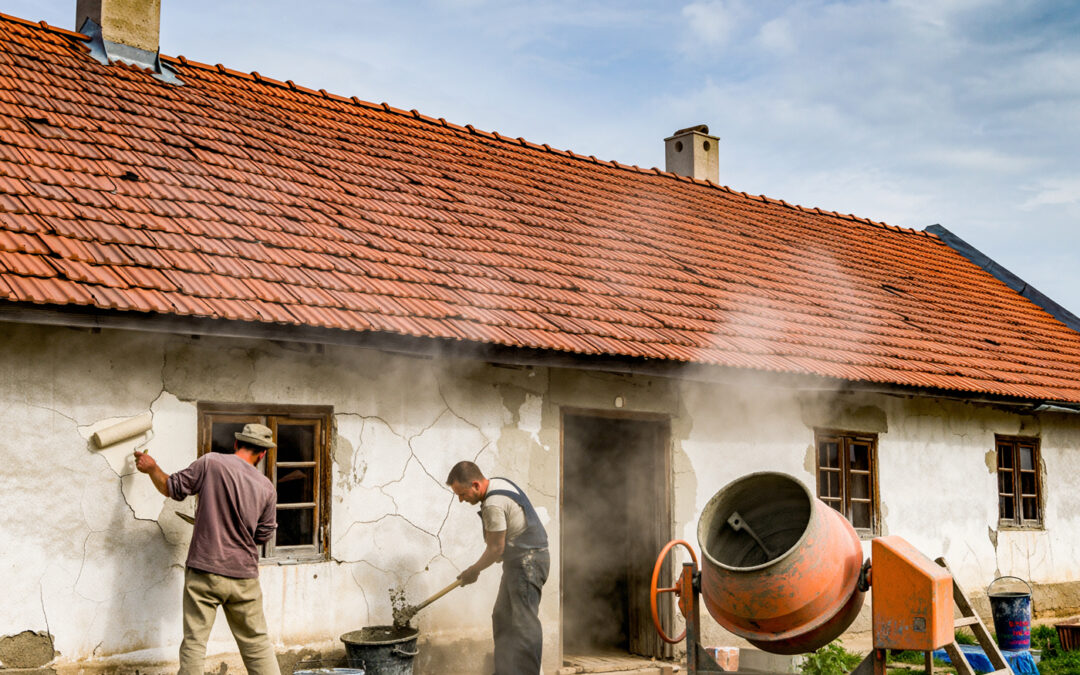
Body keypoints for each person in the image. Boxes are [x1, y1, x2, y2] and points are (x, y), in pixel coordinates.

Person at [134, 423, 280, 675]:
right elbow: (264, 534)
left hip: (205, 570)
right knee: (257, 644)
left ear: (236, 444)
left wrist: (151, 468)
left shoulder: (211, 462)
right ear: (263, 453)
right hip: (244, 576)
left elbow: (172, 488)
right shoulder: (266, 487)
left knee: (195, 642)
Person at [446, 460, 549, 675]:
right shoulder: (497, 483)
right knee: (502, 616)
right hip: (518, 562)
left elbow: (495, 548)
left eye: (462, 494)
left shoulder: (493, 503)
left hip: (528, 562)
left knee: (524, 624)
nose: (461, 500)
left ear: (475, 485)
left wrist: (473, 571)